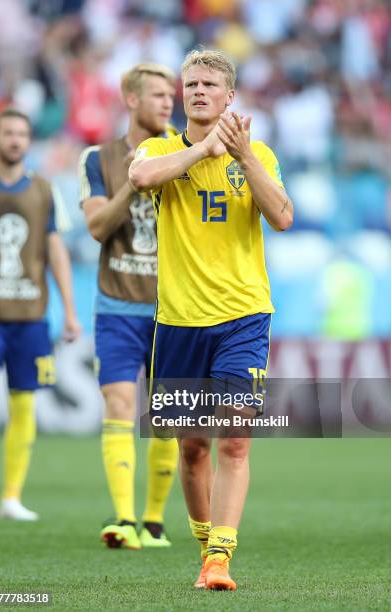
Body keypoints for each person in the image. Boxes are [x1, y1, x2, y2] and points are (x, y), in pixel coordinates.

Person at [129, 49, 293, 589]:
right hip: (178, 323)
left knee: (235, 440)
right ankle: (206, 550)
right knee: (193, 447)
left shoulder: (259, 155)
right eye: (190, 84)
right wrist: (205, 148)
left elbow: (283, 217)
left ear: (230, 97)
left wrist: (242, 156)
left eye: (208, 85)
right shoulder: (159, 148)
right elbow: (141, 177)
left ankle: (220, 558)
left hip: (244, 317)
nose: (197, 91)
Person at [79, 63, 179, 550]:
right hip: (117, 305)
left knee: (166, 416)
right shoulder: (98, 158)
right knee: (119, 404)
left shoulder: (183, 153)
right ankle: (123, 519)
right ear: (131, 99)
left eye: (171, 95)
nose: (168, 103)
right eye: (158, 94)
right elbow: (97, 228)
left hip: (174, 309)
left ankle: (155, 522)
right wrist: (134, 181)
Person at [0, 108, 81, 521]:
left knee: (24, 404)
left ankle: (11, 497)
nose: (16, 139)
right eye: (9, 132)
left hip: (32, 315)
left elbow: (56, 250)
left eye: (23, 133)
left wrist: (70, 312)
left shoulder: (43, 188)